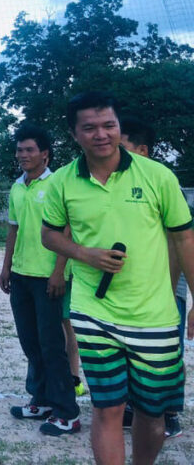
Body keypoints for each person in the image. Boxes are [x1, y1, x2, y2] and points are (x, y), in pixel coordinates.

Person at [41, 91, 194, 465]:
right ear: (74, 133)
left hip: (154, 315)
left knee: (151, 414)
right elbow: (50, 235)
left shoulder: (158, 176)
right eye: (89, 127)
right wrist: (84, 254)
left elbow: (185, 238)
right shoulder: (63, 182)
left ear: (118, 125)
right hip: (93, 311)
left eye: (109, 125)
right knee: (107, 408)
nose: (101, 134)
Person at [0, 124, 80, 435]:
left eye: (29, 150)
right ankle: (41, 400)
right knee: (30, 342)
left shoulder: (58, 184)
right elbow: (13, 229)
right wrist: (6, 267)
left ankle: (67, 412)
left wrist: (59, 272)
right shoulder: (17, 187)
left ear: (45, 154)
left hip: (48, 277)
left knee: (52, 345)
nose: (23, 155)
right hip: (21, 275)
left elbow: (67, 231)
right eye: (19, 150)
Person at [120, 116, 185, 439]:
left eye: (121, 147)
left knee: (166, 352)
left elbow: (177, 243)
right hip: (137, 287)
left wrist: (168, 292)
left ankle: (169, 414)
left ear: (142, 150)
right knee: (133, 351)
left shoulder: (162, 181)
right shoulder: (119, 185)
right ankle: (137, 407)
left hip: (167, 285)